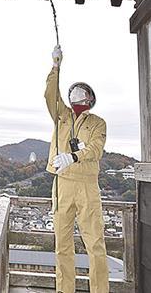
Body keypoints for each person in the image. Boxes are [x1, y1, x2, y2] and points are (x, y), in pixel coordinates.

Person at [45, 44, 109, 293]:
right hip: (61, 184)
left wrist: (73, 156)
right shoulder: (62, 115)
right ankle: (64, 290)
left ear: (89, 99)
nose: (74, 93)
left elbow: (96, 149)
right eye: (73, 90)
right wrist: (55, 66)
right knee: (62, 244)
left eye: (80, 91)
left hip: (86, 185)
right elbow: (50, 95)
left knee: (95, 244)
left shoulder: (97, 123)